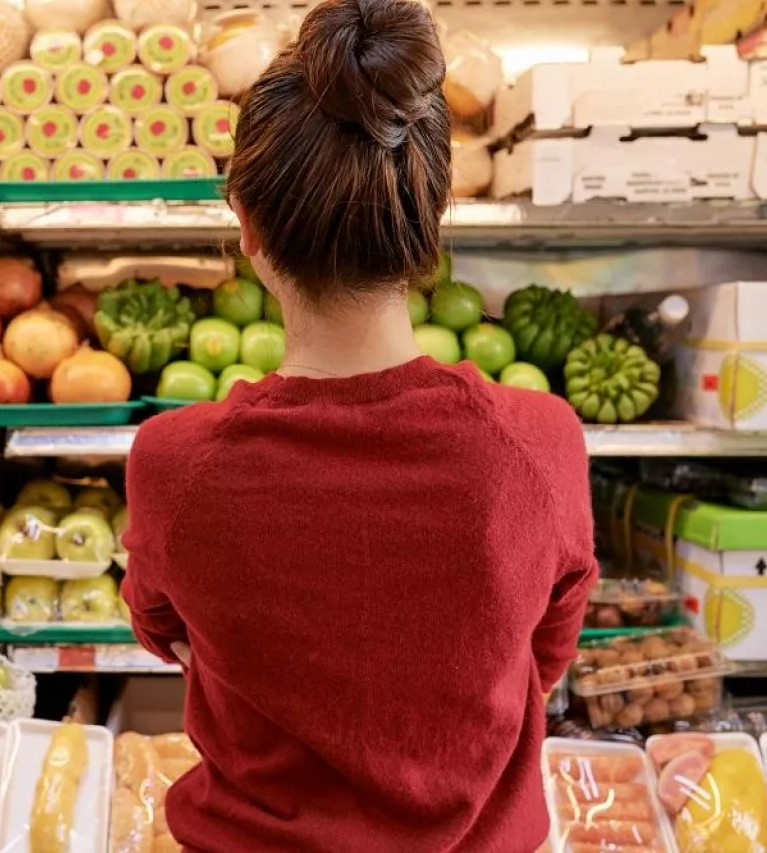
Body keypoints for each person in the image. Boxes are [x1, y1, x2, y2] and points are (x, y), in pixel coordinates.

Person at [119, 0, 597, 849]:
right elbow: (548, 645)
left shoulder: (173, 460)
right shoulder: (541, 440)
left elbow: (164, 629)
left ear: (249, 229)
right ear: (432, 222)